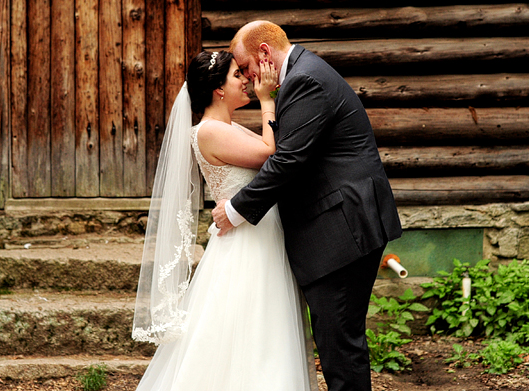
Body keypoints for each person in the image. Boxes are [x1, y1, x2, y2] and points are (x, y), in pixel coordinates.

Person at [213, 21, 403, 391]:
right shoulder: (303, 74)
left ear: (265, 53)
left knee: (340, 348)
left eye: (247, 67)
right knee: (337, 343)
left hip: (342, 229)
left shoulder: (305, 81)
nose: (249, 79)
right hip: (338, 227)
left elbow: (288, 161)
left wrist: (235, 210)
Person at [132, 50, 315, 391]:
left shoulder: (230, 128)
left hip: (261, 236)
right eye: (237, 76)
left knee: (265, 327)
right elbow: (269, 154)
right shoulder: (208, 131)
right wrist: (267, 100)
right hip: (246, 245)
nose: (245, 80)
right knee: (245, 327)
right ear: (218, 89)